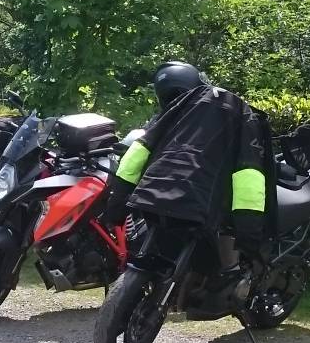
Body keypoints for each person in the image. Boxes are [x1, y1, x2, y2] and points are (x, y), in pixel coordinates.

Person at [104, 61, 270, 248]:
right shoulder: (238, 112)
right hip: (200, 213)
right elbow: (248, 173)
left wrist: (116, 206)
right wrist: (249, 232)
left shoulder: (168, 115)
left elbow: (136, 156)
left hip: (151, 203)